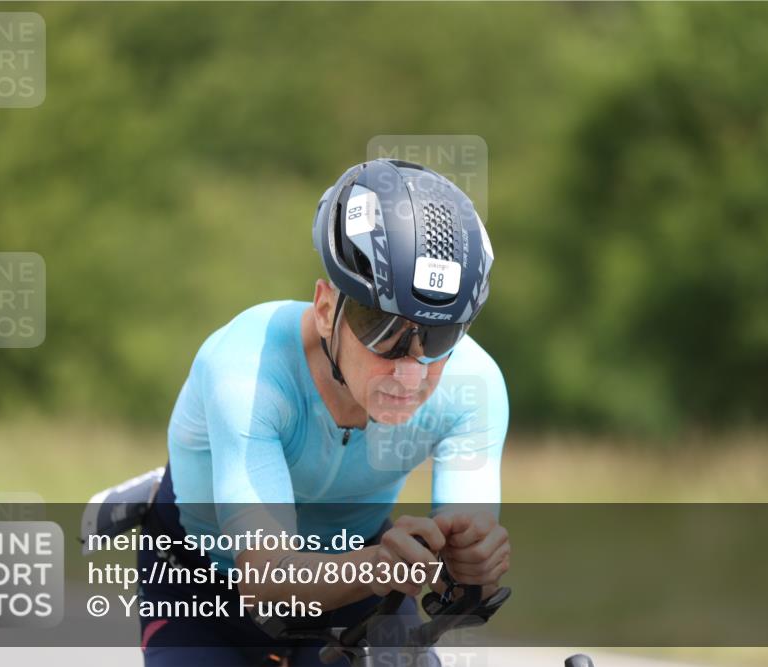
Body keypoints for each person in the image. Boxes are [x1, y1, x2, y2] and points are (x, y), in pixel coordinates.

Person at [137, 159, 510, 666]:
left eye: (440, 336)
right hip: (210, 583)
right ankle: (163, 484)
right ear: (326, 306)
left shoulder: (475, 384)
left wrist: (473, 563)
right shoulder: (246, 370)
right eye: (383, 330)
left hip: (352, 575)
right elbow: (264, 580)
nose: (410, 372)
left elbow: (464, 574)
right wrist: (378, 565)